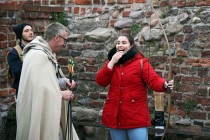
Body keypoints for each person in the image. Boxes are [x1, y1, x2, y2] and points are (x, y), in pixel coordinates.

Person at [95, 34, 174, 140]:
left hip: (135, 116)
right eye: (118, 43)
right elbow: (101, 81)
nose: (120, 45)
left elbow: (153, 80)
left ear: (131, 46)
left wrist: (164, 84)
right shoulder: (112, 63)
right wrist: (112, 62)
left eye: (124, 43)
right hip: (115, 115)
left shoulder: (141, 62)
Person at [16, 22, 79, 140]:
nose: (64, 44)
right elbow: (39, 89)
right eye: (64, 40)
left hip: (48, 111)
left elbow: (47, 80)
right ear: (57, 37)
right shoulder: (38, 55)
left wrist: (62, 81)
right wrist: (61, 94)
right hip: (38, 112)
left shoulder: (46, 54)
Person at [7, 23, 34, 95]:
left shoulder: (38, 49)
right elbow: (19, 73)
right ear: (20, 34)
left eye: (31, 30)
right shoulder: (14, 53)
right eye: (26, 31)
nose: (31, 32)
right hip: (24, 91)